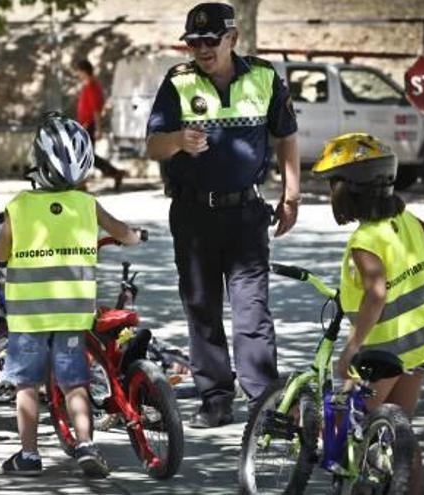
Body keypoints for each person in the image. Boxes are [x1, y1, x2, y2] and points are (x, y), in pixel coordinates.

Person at [145, 2, 300, 428]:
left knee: (252, 312)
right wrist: (178, 139)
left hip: (245, 212)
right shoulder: (178, 82)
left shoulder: (265, 77)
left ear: (232, 38)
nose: (201, 49)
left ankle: (265, 403)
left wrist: (292, 196)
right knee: (202, 309)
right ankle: (215, 400)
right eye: (193, 42)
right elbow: (153, 145)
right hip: (193, 214)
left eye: (210, 40)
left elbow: (286, 137)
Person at [0, 113, 144, 477]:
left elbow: (0, 253)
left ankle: (28, 455)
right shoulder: (85, 204)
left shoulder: (20, 206)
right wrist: (135, 236)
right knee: (74, 381)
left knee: (26, 385)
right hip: (72, 314)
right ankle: (86, 444)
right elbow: (124, 233)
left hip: (29, 317)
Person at [314, 133, 424, 495]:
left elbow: (376, 294)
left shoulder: (366, 240)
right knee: (400, 429)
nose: (330, 191)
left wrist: (351, 348)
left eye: (333, 183)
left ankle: (349, 478)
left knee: (346, 415)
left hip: (388, 347)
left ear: (349, 188)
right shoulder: (404, 219)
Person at [72, 59, 125, 191]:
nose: (76, 74)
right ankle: (115, 173)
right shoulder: (88, 86)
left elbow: (96, 110)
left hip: (89, 125)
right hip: (85, 125)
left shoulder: (92, 87)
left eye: (78, 71)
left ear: (84, 71)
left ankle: (81, 183)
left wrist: (98, 129)